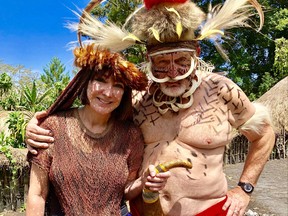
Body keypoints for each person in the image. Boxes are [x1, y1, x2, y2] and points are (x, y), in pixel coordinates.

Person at [25, 0, 275, 215]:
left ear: (196, 52)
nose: (173, 72)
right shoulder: (136, 99)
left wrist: (244, 189)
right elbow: (90, 124)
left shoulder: (221, 90)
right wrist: (33, 127)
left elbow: (264, 134)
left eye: (181, 61)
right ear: (148, 59)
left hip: (209, 210)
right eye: (162, 63)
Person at [26, 43, 172, 216]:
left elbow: (125, 191)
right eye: (100, 81)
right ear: (86, 82)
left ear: (124, 93)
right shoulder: (54, 127)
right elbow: (37, 194)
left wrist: (143, 181)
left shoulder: (130, 135)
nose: (108, 93)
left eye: (118, 85)